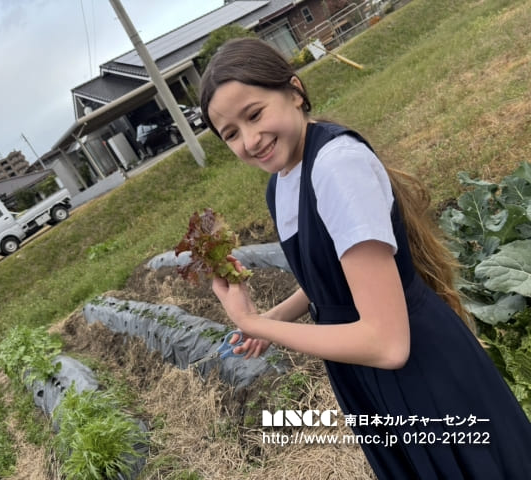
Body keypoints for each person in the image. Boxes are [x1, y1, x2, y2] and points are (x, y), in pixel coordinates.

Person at [199, 37, 531, 479]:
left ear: (295, 92)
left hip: (420, 374)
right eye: (231, 134)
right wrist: (273, 318)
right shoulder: (281, 183)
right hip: (368, 376)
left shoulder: (336, 167)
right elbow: (332, 279)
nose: (250, 140)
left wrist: (253, 322)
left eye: (255, 114)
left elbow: (388, 345)